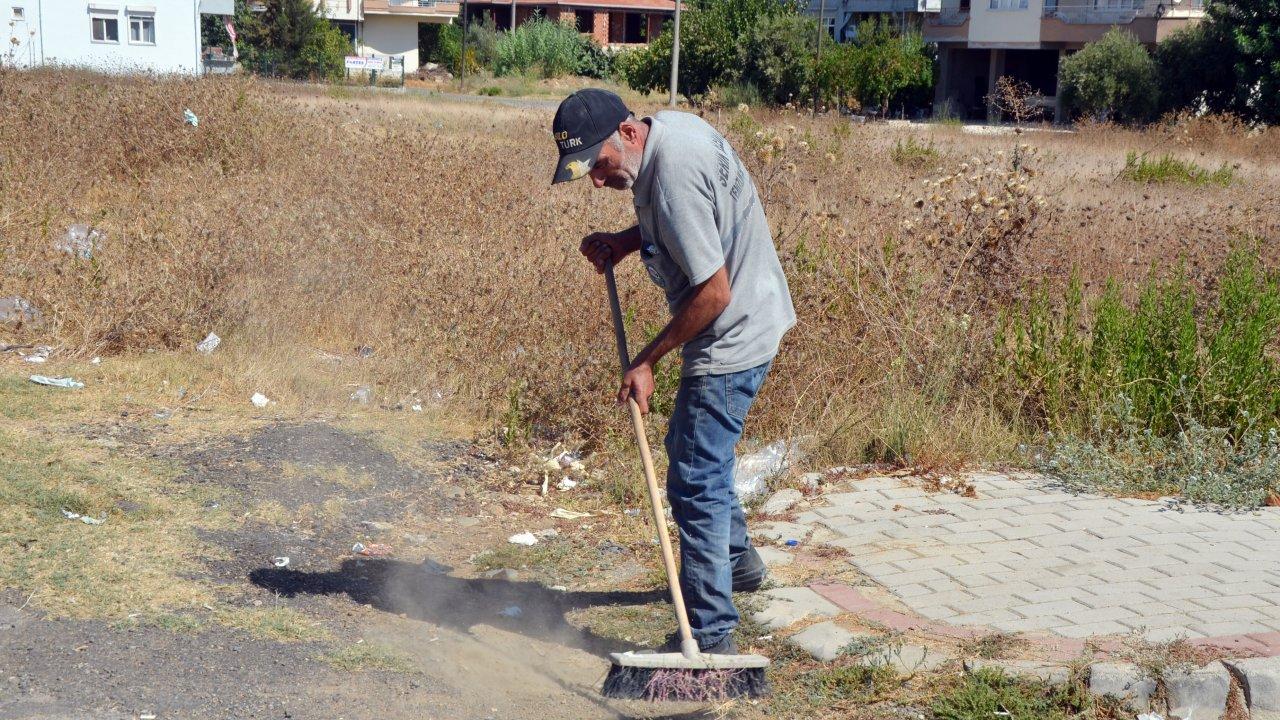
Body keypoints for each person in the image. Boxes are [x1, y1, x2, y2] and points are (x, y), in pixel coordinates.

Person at [551, 89, 796, 654]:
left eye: (598, 163)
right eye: (585, 169)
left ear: (628, 135)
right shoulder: (667, 136)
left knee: (695, 479)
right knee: (697, 453)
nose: (594, 180)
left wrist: (646, 360)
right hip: (752, 312)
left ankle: (710, 636)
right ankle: (739, 565)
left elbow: (713, 292)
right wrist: (625, 241)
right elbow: (682, 226)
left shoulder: (673, 174)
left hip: (732, 333)